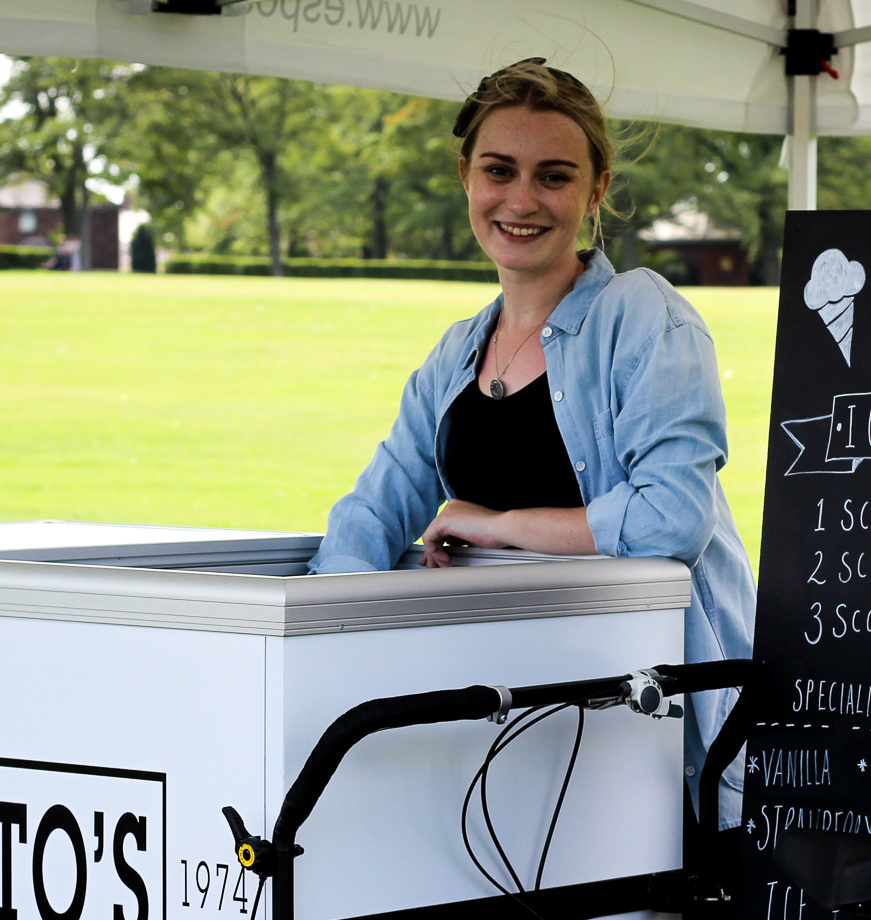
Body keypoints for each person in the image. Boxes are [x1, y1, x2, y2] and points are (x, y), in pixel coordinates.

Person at [309, 58, 755, 827]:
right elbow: (371, 513)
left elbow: (672, 520)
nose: (520, 201)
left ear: (597, 189)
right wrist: (321, 642)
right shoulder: (457, 350)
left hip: (644, 726)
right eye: (499, 171)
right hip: (503, 721)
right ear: (466, 176)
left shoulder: (645, 317)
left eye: (553, 176)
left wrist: (498, 525)